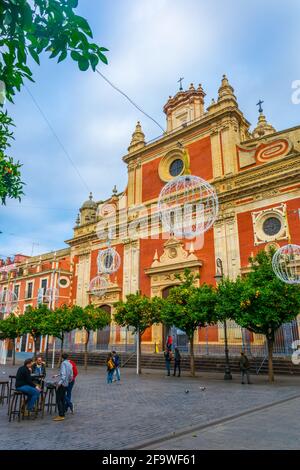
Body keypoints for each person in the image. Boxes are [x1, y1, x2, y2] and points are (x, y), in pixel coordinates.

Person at [53, 352, 73, 421]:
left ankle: (61, 415)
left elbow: (63, 375)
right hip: (66, 383)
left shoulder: (63, 363)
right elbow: (71, 374)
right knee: (62, 399)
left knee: (58, 399)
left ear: (62, 358)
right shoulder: (70, 363)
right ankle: (63, 412)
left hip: (62, 384)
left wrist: (59, 383)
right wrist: (57, 375)